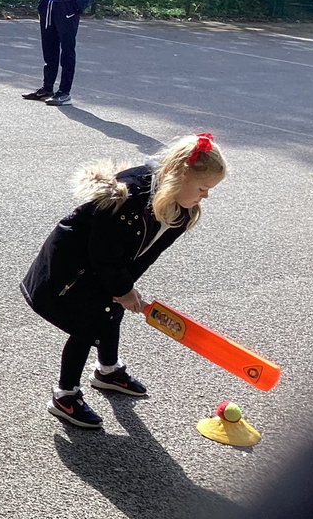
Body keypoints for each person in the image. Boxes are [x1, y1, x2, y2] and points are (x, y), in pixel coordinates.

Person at [21, 133, 227, 429]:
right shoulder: (129, 198)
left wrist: (125, 288)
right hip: (76, 267)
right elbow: (103, 253)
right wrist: (122, 288)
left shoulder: (181, 211)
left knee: (111, 313)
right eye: (203, 188)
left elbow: (143, 254)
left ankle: (107, 371)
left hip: (110, 268)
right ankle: (65, 395)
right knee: (86, 327)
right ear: (180, 175)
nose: (205, 196)